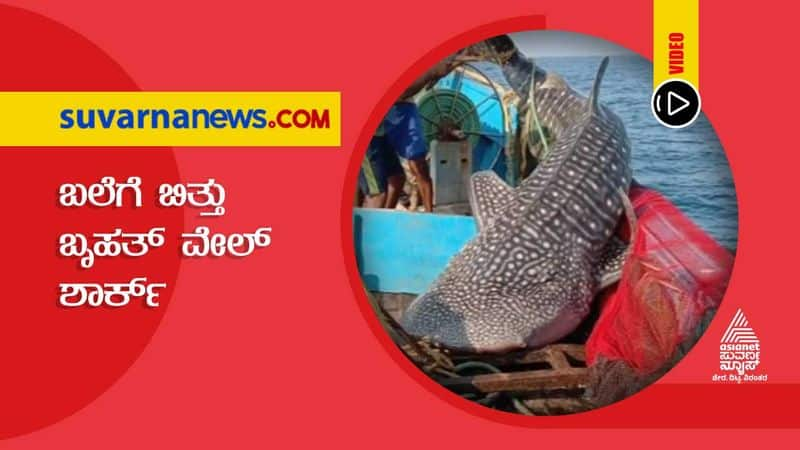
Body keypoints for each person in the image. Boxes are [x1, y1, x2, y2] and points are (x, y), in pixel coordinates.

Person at [358, 57, 461, 212]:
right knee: (377, 193)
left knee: (406, 173)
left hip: (402, 107)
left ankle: (423, 214)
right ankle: (366, 228)